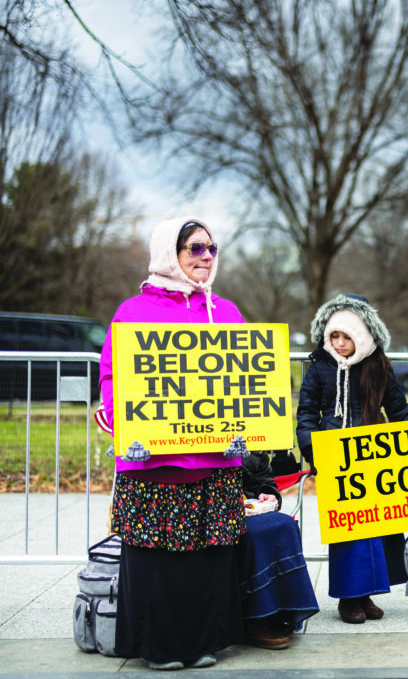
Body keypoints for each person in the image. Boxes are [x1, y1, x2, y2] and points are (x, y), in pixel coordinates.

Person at [99, 217, 246, 670]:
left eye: (212, 248)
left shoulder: (227, 311)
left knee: (207, 560)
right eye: (195, 248)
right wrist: (117, 420)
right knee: (157, 562)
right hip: (155, 465)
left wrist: (251, 426)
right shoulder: (133, 310)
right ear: (170, 252)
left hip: (213, 462)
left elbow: (245, 381)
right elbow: (111, 376)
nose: (206, 257)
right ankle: (160, 648)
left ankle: (203, 643)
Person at [296, 293, 408, 624]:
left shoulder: (377, 365)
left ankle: (366, 593)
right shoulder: (319, 368)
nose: (341, 343)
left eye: (347, 336)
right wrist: (312, 450)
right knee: (347, 534)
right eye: (334, 336)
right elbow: (306, 415)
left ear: (362, 334)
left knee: (375, 528)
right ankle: (349, 598)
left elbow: (400, 411)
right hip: (336, 458)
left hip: (373, 456)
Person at [236, 451, 319, 650]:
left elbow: (264, 479)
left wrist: (267, 493)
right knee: (256, 532)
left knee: (284, 525)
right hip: (215, 507)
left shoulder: (253, 439)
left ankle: (281, 612)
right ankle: (255, 619)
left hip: (250, 506)